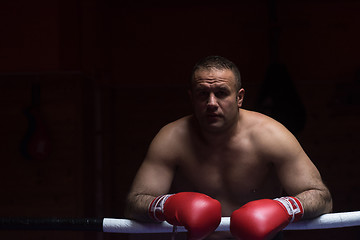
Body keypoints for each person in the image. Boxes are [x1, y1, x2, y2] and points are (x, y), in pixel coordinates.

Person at [124, 56, 332, 240]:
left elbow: (322, 197)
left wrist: (282, 208)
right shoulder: (171, 138)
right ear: (192, 98)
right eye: (202, 94)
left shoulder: (272, 135)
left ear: (239, 97)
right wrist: (168, 205)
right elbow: (134, 203)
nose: (211, 103)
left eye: (221, 93)